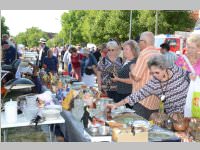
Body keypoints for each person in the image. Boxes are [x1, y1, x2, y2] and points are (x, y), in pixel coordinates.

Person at [107, 55, 191, 117]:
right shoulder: (154, 84)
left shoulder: (176, 70)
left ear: (165, 68)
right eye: (152, 73)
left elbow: (190, 77)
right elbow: (136, 95)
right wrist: (116, 105)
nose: (154, 76)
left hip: (191, 109)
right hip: (175, 116)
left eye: (157, 72)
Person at [129, 31, 161, 120]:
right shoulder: (159, 55)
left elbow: (136, 77)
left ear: (144, 42)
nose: (138, 43)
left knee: (139, 130)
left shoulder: (144, 54)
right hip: (155, 102)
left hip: (142, 101)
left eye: (139, 41)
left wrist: (132, 68)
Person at [111, 40, 139, 104]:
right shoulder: (127, 61)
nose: (124, 51)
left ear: (133, 50)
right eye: (124, 49)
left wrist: (118, 79)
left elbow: (132, 81)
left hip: (127, 95)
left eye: (126, 49)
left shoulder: (133, 63)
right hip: (121, 93)